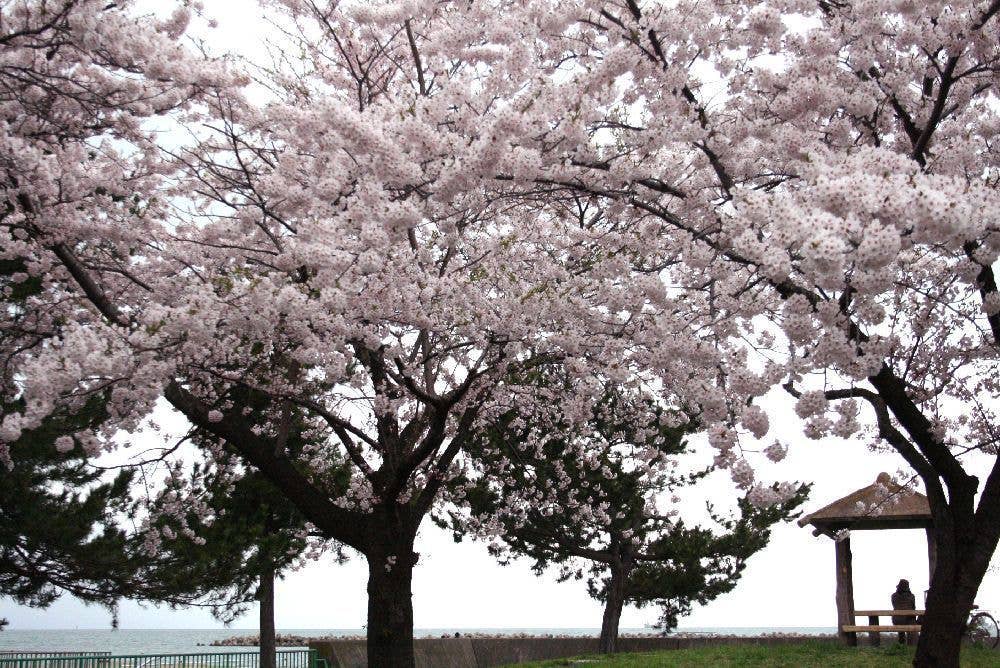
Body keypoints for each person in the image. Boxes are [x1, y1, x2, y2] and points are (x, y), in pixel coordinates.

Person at [891, 579, 917, 644]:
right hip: (909, 619)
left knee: (901, 632)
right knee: (912, 623)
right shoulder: (911, 596)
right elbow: (913, 607)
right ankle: (911, 645)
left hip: (897, 619)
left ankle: (901, 645)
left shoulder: (894, 596)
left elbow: (895, 605)